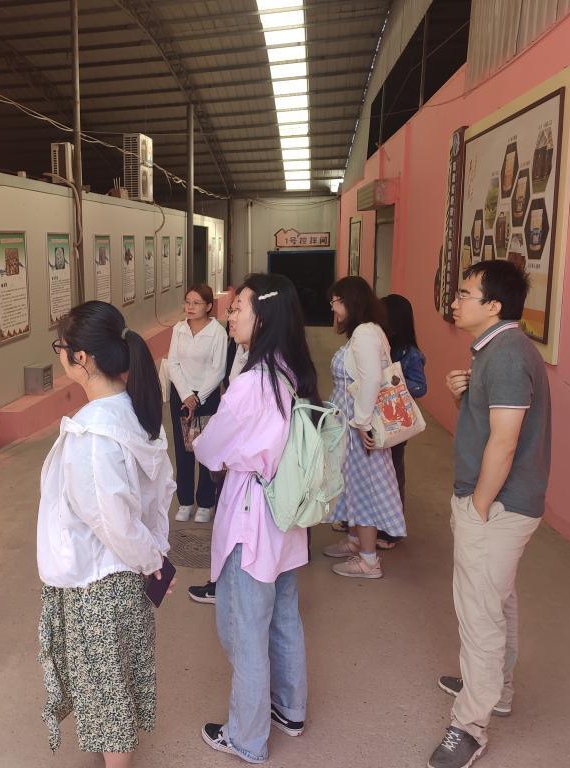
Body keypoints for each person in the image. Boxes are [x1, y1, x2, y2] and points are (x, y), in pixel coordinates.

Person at [36, 301, 175, 768]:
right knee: (114, 681)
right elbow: (160, 492)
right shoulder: (133, 410)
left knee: (107, 691)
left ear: (83, 359)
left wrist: (152, 559)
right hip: (123, 574)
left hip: (99, 582)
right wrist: (155, 553)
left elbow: (110, 519)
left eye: (62, 347)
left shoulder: (94, 435)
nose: (60, 355)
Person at [427, 261, 551, 768]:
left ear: (494, 306)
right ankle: (495, 688)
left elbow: (505, 443)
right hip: (505, 502)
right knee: (497, 600)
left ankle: (470, 725)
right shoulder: (499, 351)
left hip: (497, 506)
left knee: (479, 614)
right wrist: (465, 398)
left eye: (464, 293)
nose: (455, 301)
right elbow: (490, 428)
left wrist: (478, 507)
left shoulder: (503, 357)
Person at [192, 273, 319, 764]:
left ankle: (246, 737)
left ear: (261, 316)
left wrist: (199, 442)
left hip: (252, 516)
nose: (231, 313)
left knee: (245, 629)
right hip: (285, 516)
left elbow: (214, 448)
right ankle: (290, 708)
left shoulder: (252, 383)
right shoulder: (291, 369)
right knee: (283, 614)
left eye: (238, 306)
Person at [323, 276, 405, 578]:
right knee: (352, 484)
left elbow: (371, 379)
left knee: (364, 486)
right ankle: (356, 541)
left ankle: (369, 561)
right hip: (352, 421)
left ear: (351, 301)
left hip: (359, 423)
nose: (333, 306)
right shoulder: (364, 332)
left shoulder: (365, 334)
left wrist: (361, 423)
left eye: (336, 300)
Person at [187, 308, 248, 606]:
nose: (231, 316)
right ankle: (221, 583)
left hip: (247, 472)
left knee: (237, 532)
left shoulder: (260, 375)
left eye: (239, 309)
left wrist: (207, 445)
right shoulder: (243, 350)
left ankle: (225, 587)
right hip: (236, 464)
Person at [167, 283, 228, 523]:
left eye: (196, 303)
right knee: (183, 450)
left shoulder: (217, 333)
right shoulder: (179, 329)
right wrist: (186, 396)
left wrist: (198, 397)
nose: (190, 307)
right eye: (188, 302)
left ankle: (205, 502)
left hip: (207, 396)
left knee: (204, 448)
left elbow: (218, 370)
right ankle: (185, 501)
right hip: (181, 396)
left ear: (209, 306)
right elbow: (173, 364)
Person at [376, 293, 427, 550]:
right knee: (372, 471)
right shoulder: (380, 345)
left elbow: (420, 387)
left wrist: (396, 383)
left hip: (396, 424)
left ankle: (392, 529)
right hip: (376, 420)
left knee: (393, 473)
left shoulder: (410, 353)